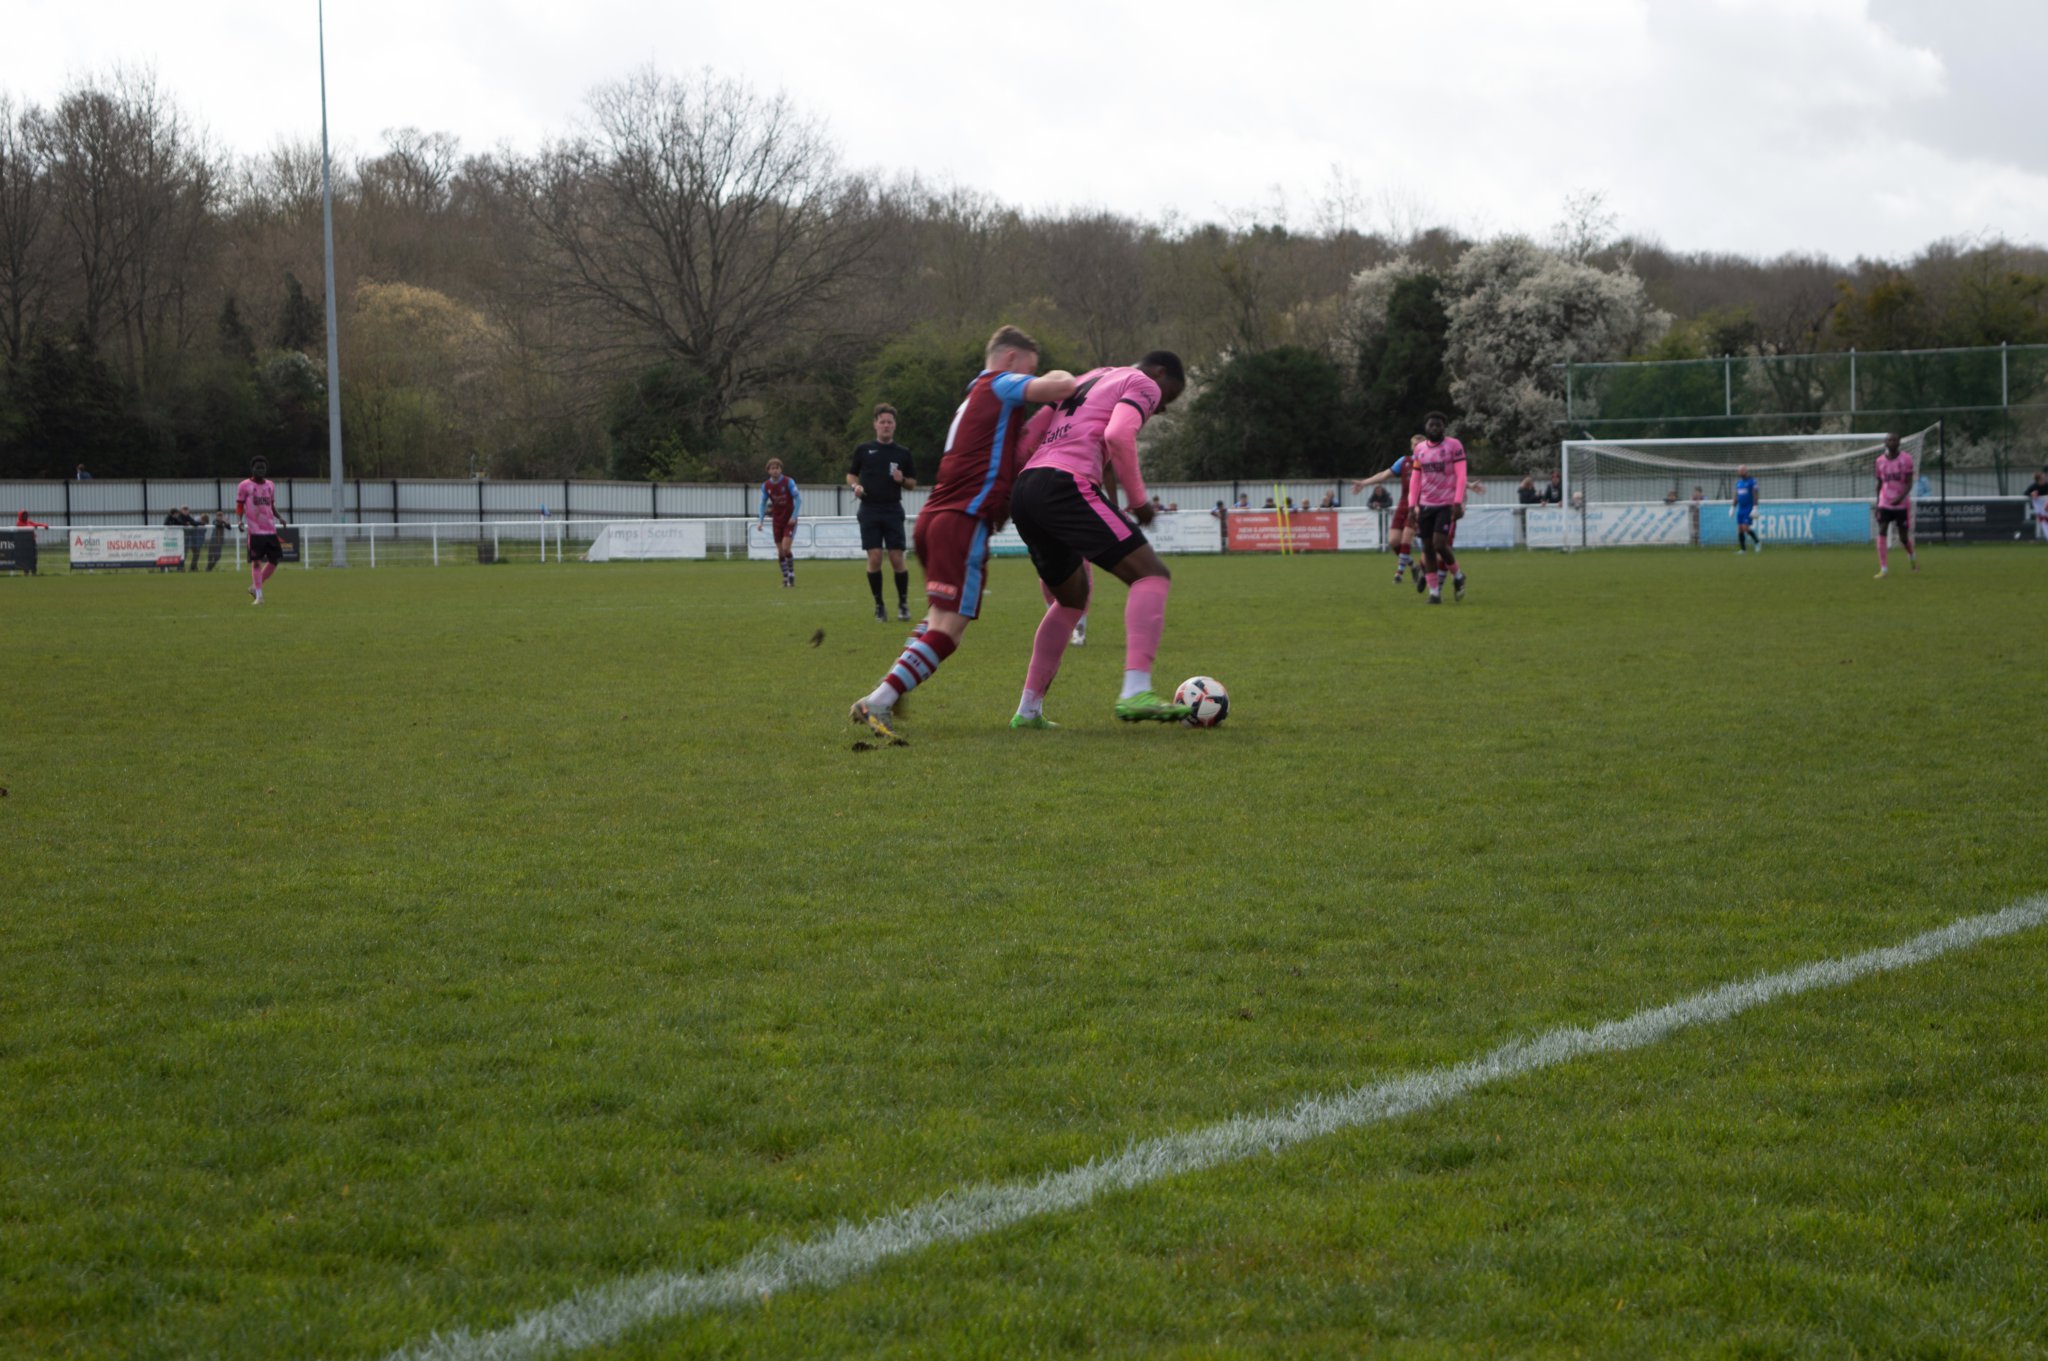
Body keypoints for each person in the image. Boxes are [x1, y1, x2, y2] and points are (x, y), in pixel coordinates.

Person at [848, 327, 1076, 741]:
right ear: (1010, 359)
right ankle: (881, 697)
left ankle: (892, 688)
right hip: (961, 520)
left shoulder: (972, 396)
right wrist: (1062, 378)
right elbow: (1062, 386)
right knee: (951, 628)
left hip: (935, 517)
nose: (1031, 377)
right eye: (1029, 368)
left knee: (938, 617)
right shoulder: (1001, 383)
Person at [1008, 350, 1191, 727]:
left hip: (1026, 489)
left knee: (1071, 599)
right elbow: (1119, 435)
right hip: (1065, 483)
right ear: (1161, 373)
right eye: (1167, 397)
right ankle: (1135, 690)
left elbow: (1027, 438)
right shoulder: (1142, 383)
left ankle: (1028, 711)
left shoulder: (1086, 378)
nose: (1160, 410)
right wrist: (1139, 502)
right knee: (1150, 574)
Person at [847, 404, 917, 621]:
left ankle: (903, 604)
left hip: (892, 509)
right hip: (869, 509)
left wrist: (902, 480)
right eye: (882, 421)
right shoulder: (864, 449)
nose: (886, 425)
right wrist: (855, 486)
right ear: (875, 424)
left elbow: (913, 483)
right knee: (875, 557)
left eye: (890, 422)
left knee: (897, 558)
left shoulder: (903, 453)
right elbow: (851, 475)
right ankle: (879, 605)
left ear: (894, 426)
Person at [1351, 434, 1425, 588]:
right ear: (1411, 447)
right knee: (1393, 540)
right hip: (1404, 502)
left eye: (1420, 444)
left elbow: (1448, 477)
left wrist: (1468, 485)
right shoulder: (1404, 461)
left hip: (1419, 504)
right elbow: (1384, 475)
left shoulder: (1430, 462)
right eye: (1415, 445)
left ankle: (1399, 573)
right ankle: (1414, 567)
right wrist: (1364, 483)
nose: (1417, 447)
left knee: (1406, 538)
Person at [1411, 412, 1467, 604]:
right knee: (1427, 548)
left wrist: (1458, 501)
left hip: (1446, 503)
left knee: (1439, 544)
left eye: (1438, 425)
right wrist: (1412, 505)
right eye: (1431, 425)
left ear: (1444, 427)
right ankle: (1434, 593)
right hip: (1426, 505)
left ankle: (1458, 575)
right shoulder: (1419, 449)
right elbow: (1416, 478)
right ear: (1425, 428)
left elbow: (1461, 475)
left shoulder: (1454, 446)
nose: (1434, 428)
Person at [236, 457, 286, 604]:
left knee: (275, 560)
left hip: (270, 530)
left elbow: (271, 505)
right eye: (258, 468)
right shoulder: (244, 486)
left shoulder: (270, 485)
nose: (261, 470)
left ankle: (254, 587)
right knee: (256, 562)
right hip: (255, 531)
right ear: (252, 469)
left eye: (263, 468)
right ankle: (259, 596)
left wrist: (280, 517)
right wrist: (239, 521)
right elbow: (239, 506)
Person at [1873, 432, 1918, 577]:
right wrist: (1877, 503)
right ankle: (1884, 569)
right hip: (1885, 502)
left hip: (1901, 504)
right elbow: (1879, 483)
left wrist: (1900, 498)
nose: (1891, 442)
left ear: (1899, 442)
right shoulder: (1879, 461)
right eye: (1889, 440)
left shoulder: (1906, 459)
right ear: (1885, 443)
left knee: (1903, 538)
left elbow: (1909, 483)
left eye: (1894, 440)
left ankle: (1911, 555)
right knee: (1882, 528)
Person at [756, 458, 802, 587]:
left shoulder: (789, 482)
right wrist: (760, 520)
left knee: (786, 548)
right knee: (780, 552)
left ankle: (791, 574)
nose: (775, 470)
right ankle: (786, 577)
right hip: (777, 521)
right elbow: (762, 503)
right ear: (768, 471)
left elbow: (798, 499)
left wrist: (794, 516)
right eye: (772, 468)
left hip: (789, 520)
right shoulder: (766, 486)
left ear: (780, 469)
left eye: (777, 468)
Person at [1733, 464, 1762, 553]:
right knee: (1739, 528)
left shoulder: (1752, 481)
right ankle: (1743, 549)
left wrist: (1755, 507)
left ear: (1746, 471)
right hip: (1741, 508)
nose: (1740, 472)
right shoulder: (1738, 483)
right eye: (1739, 471)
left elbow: (1755, 494)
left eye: (1742, 470)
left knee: (1745, 527)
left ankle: (1757, 542)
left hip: (1749, 508)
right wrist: (1732, 507)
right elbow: (1736, 496)